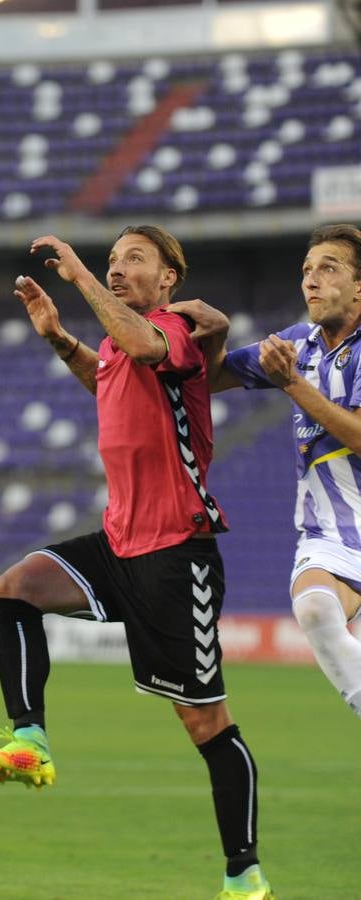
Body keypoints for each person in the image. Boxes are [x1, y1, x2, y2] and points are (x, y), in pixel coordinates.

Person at [0, 228, 273, 900]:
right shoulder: (117, 343)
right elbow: (109, 375)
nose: (117, 269)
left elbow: (140, 345)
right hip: (119, 542)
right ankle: (31, 741)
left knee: (205, 722)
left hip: (177, 553)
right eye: (110, 261)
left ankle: (244, 873)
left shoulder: (176, 330)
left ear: (170, 279)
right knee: (16, 588)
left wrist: (76, 274)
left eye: (134, 259)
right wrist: (57, 337)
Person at [168, 223, 361, 720]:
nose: (311, 281)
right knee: (316, 609)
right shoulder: (300, 344)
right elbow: (211, 378)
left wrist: (292, 385)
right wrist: (217, 336)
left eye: (328, 268)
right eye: (306, 271)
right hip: (333, 535)